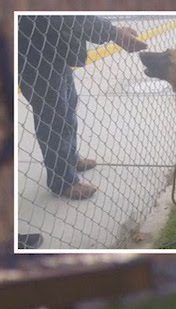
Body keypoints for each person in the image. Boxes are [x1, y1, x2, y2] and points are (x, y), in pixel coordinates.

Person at [17, 16, 147, 200]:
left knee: (67, 105)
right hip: (33, 50)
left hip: (52, 49)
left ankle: (70, 159)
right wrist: (114, 33)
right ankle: (63, 181)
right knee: (53, 115)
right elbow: (67, 15)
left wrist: (113, 31)